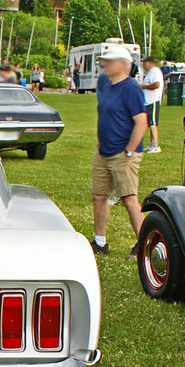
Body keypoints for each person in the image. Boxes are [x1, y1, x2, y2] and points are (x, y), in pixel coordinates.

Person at [90, 46, 147, 258]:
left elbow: (141, 122)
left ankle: (143, 243)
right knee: (99, 196)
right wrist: (100, 143)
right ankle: (100, 242)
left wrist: (129, 151)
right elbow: (106, 118)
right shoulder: (108, 87)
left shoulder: (131, 88)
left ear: (123, 64)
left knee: (129, 199)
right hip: (104, 152)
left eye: (109, 61)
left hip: (123, 153)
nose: (105, 64)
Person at [140, 56, 164, 154]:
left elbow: (156, 85)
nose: (143, 66)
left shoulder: (155, 71)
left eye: (144, 64)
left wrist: (143, 86)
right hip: (148, 101)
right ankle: (151, 143)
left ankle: (156, 145)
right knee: (150, 123)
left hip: (153, 100)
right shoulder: (150, 72)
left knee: (152, 123)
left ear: (149, 63)